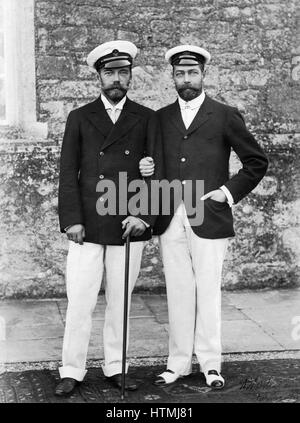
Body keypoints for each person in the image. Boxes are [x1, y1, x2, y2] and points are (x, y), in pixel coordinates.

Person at [139, 44, 268, 389]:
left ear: (203, 74)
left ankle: (211, 363)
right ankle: (178, 363)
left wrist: (225, 194)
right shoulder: (159, 118)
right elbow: (151, 163)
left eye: (192, 72)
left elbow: (256, 162)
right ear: (172, 77)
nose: (186, 79)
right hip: (170, 217)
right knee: (179, 291)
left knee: (207, 291)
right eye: (180, 74)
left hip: (208, 215)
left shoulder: (224, 114)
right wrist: (146, 168)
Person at [55, 40, 161, 396]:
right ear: (98, 77)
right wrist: (72, 221)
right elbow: (68, 172)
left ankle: (117, 366)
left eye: (123, 72)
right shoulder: (80, 117)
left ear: (131, 76)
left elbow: (157, 174)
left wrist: (144, 215)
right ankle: (71, 368)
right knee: (80, 300)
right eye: (110, 72)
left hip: (127, 224)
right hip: (87, 223)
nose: (117, 78)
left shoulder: (147, 118)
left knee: (121, 301)